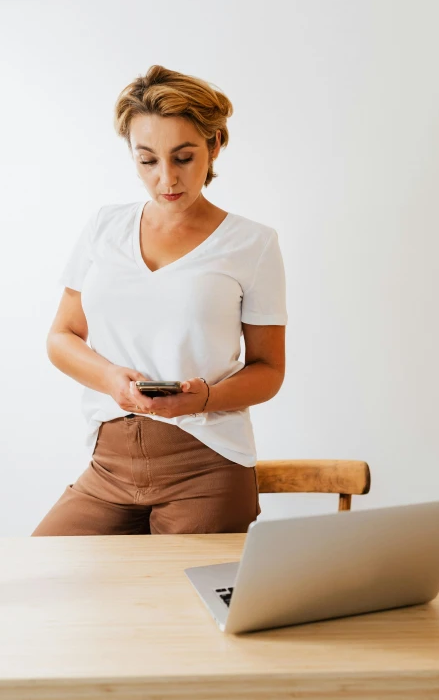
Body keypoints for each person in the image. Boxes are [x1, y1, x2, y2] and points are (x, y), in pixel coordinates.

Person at [31, 64, 288, 536]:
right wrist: (111, 378)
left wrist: (202, 398)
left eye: (183, 157)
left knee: (184, 605)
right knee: (47, 578)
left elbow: (269, 370)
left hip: (207, 466)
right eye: (147, 160)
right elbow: (61, 336)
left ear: (213, 147)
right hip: (109, 465)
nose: (166, 178)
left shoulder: (253, 244)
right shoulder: (103, 228)